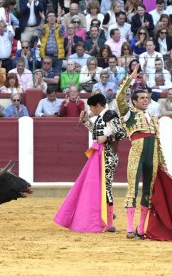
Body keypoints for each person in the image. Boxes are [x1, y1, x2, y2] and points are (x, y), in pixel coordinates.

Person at [54, 92, 127, 233]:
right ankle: (105, 216)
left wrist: (106, 137)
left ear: (97, 106)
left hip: (109, 155)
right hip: (99, 154)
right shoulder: (100, 117)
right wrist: (86, 121)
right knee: (99, 188)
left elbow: (122, 133)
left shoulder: (111, 115)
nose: (90, 110)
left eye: (91, 108)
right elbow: (96, 133)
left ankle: (110, 223)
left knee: (106, 187)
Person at [114, 66, 168, 239]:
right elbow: (119, 97)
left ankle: (140, 228)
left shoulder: (152, 118)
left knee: (148, 191)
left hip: (152, 156)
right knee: (132, 190)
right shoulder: (129, 115)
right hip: (136, 154)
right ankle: (129, 228)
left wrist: (162, 161)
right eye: (142, 98)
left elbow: (158, 141)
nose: (146, 100)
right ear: (134, 102)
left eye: (147, 98)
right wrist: (129, 79)